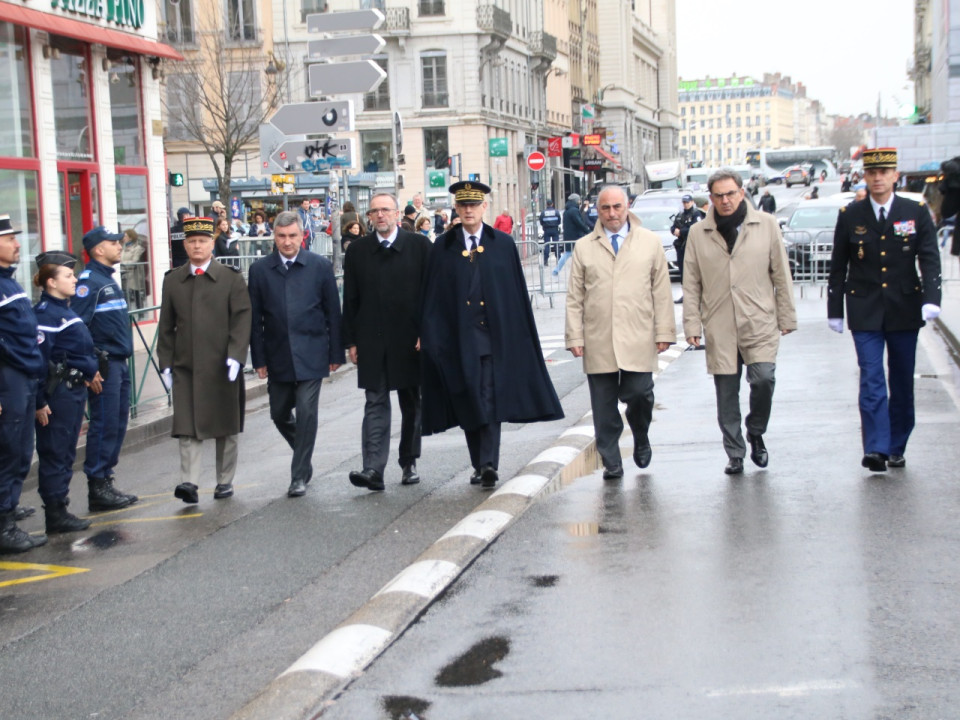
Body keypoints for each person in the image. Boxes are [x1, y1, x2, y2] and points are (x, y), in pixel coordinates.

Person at [420, 181, 564, 489]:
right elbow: (432, 297)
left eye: (474, 204)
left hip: (492, 337)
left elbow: (514, 292)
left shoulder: (502, 243)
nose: (469, 210)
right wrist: (429, 335)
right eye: (463, 205)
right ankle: (479, 462)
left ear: (485, 207)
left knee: (487, 396)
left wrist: (519, 333)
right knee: (469, 397)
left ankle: (488, 463)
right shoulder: (443, 248)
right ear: (456, 209)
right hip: (458, 339)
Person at [827, 148, 942, 472]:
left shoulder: (914, 210)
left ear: (894, 175)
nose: (878, 178)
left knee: (902, 379)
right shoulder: (850, 214)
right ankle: (876, 448)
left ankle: (896, 444)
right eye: (872, 173)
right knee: (872, 377)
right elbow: (839, 265)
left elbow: (929, 257)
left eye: (884, 172)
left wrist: (932, 298)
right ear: (864, 176)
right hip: (864, 308)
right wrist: (835, 309)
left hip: (904, 307)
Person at [682, 168, 797, 475]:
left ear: (742, 193)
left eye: (730, 193)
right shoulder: (698, 233)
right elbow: (691, 283)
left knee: (763, 379)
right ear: (711, 198)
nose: (725, 200)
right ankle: (735, 452)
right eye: (718, 195)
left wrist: (786, 315)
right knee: (726, 393)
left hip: (758, 319)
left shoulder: (766, 225)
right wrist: (692, 325)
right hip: (719, 324)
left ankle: (756, 430)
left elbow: (781, 276)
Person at [565, 186, 675, 479]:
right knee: (603, 406)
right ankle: (611, 459)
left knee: (639, 394)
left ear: (627, 207)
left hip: (638, 334)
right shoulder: (584, 246)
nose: (612, 214)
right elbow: (575, 297)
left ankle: (640, 433)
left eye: (617, 207)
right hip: (597, 337)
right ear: (597, 211)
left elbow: (661, 292)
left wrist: (664, 330)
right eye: (605, 208)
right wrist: (574, 336)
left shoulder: (649, 242)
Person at [249, 212, 343, 497]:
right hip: (278, 354)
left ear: (302, 236)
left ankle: (298, 475)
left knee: (305, 411)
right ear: (274, 237)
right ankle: (303, 453)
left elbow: (333, 314)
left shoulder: (320, 266)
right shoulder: (260, 270)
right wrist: (259, 359)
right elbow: (255, 319)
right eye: (281, 236)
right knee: (279, 413)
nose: (287, 242)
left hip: (312, 352)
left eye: (292, 236)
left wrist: (335, 351)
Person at [342, 192, 432, 492]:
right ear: (368, 217)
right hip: (372, 339)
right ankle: (373, 469)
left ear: (397, 214)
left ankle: (409, 462)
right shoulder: (357, 251)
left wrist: (427, 331)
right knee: (375, 402)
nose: (380, 215)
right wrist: (351, 340)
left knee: (412, 402)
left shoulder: (419, 246)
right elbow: (351, 299)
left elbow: (432, 293)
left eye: (386, 210)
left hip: (410, 338)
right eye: (375, 211)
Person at [158, 217, 251, 503]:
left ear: (213, 243)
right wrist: (165, 362)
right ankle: (190, 483)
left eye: (202, 241)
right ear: (185, 245)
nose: (197, 246)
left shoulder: (231, 278)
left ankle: (224, 481)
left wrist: (236, 356)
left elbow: (241, 320)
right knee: (187, 427)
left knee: (226, 426)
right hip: (186, 366)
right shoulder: (173, 280)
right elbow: (166, 325)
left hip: (222, 366)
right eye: (191, 242)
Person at [33, 253, 101, 534]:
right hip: (57, 394)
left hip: (72, 392)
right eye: (68, 276)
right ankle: (55, 513)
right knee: (56, 452)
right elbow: (38, 361)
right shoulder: (46, 315)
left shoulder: (63, 310)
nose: (75, 279)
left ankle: (60, 506)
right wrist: (39, 402)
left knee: (64, 453)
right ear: (51, 282)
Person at [73, 226, 139, 511]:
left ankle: (106, 480)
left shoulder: (106, 280)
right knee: (104, 424)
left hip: (118, 363)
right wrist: (90, 366)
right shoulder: (90, 283)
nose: (119, 246)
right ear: (98, 249)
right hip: (104, 365)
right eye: (114, 243)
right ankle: (97, 486)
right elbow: (77, 328)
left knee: (117, 423)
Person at [0, 215, 48, 553]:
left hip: (22, 378)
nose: (18, 244)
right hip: (7, 380)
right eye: (10, 239)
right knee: (8, 451)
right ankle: (4, 526)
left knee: (19, 451)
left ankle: (8, 510)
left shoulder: (9, 283)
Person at [670, 193, 705, 303]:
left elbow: (696, 228)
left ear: (692, 202)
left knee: (694, 271)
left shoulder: (696, 214)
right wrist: (675, 231)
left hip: (691, 246)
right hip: (681, 247)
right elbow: (673, 227)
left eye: (687, 202)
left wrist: (681, 232)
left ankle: (696, 294)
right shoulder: (680, 215)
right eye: (684, 202)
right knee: (683, 271)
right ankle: (685, 294)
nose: (686, 204)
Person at [556, 192, 592, 275]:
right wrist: (587, 231)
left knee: (569, 253)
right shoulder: (574, 211)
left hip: (569, 236)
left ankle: (557, 270)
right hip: (576, 236)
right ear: (576, 201)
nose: (580, 202)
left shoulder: (567, 211)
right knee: (580, 253)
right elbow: (579, 223)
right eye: (579, 200)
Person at [120, 228, 146, 308]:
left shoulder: (138, 248)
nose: (123, 238)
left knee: (137, 295)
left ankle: (140, 313)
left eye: (125, 236)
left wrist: (122, 264)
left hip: (134, 276)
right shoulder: (122, 248)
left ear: (131, 238)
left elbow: (135, 261)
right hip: (124, 275)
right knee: (125, 296)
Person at [539, 199, 562, 266]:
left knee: (547, 246)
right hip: (555, 229)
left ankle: (545, 261)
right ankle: (559, 260)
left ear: (547, 204)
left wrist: (545, 226)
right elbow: (559, 221)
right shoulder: (556, 212)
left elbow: (541, 221)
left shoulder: (543, 212)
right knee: (556, 245)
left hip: (547, 230)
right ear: (552, 204)